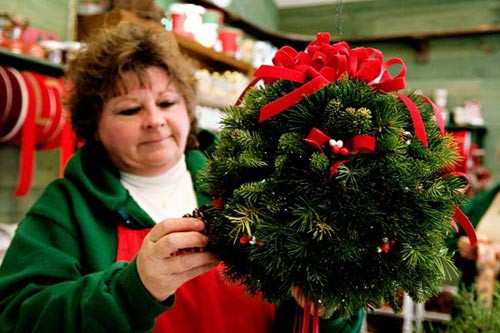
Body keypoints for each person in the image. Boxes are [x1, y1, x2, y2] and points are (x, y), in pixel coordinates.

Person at [0, 21, 363, 332]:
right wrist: (133, 288)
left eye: (167, 103)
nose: (155, 120)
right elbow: (15, 318)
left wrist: (326, 306)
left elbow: (319, 315)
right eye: (129, 109)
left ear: (188, 110)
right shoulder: (67, 208)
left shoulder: (253, 179)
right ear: (93, 126)